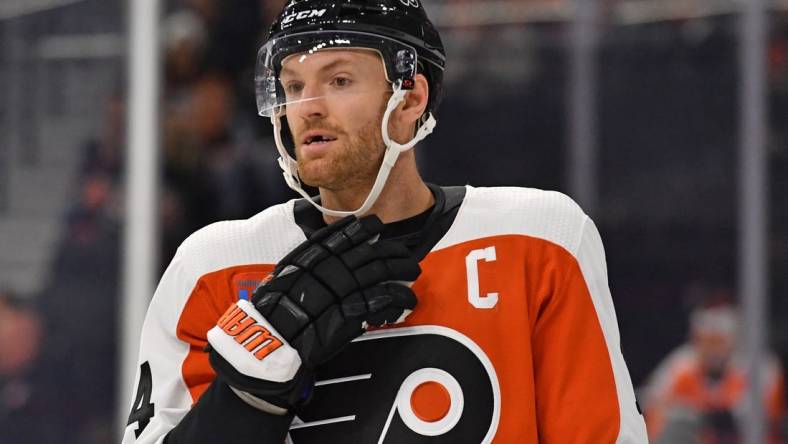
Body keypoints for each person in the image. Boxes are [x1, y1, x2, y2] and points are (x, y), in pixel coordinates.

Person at [122, 0, 648, 442]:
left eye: (340, 79)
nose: (307, 107)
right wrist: (244, 396)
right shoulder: (212, 267)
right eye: (293, 84)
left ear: (410, 98)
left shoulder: (539, 242)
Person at [643, 302, 785, 443]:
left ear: (733, 341)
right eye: (707, 341)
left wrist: (718, 415)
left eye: (718, 342)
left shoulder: (758, 367)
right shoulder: (680, 366)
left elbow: (766, 416)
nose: (713, 351)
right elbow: (653, 405)